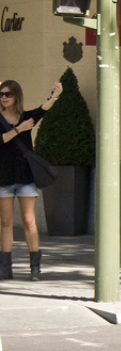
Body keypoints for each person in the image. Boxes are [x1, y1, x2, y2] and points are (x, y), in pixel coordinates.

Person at [0, 79, 62, 281]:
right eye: (1, 94)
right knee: (6, 222)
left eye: (8, 94)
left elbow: (43, 109)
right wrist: (19, 129)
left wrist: (55, 95)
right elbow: (1, 140)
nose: (4, 97)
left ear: (16, 95)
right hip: (4, 178)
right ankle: (5, 268)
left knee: (29, 221)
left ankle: (35, 267)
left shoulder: (27, 117)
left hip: (26, 177)